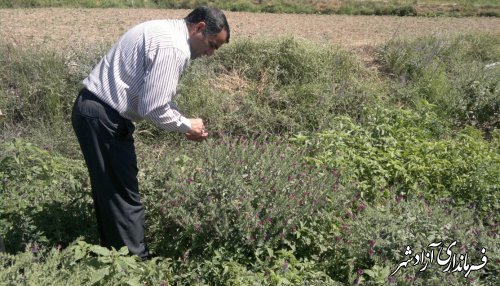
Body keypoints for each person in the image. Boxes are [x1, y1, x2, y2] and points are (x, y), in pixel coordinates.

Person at [71, 6, 230, 260]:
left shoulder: (163, 29)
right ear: (199, 28)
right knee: (124, 197)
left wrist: (181, 121)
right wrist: (186, 124)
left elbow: (155, 96)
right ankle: (136, 266)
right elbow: (153, 107)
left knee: (110, 193)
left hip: (93, 111)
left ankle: (114, 260)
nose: (210, 53)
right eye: (212, 45)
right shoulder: (174, 47)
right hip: (104, 116)